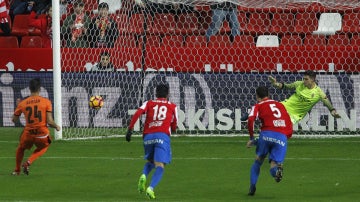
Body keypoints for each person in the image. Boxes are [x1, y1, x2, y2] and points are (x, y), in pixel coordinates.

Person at [125, 84, 178, 199]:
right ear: (168, 94)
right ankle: (151, 188)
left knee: (151, 161)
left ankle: (144, 175)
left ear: (156, 94)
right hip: (162, 136)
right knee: (160, 165)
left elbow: (138, 113)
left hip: (148, 136)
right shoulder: (172, 106)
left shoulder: (149, 103)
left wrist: (130, 129)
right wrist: (171, 128)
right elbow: (174, 125)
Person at [246, 86, 293, 196]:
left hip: (266, 134)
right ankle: (276, 172)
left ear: (257, 96)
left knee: (258, 160)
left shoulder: (258, 105)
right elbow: (289, 122)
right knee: (274, 164)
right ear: (268, 94)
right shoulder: (280, 105)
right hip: (281, 136)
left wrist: (252, 138)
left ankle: (252, 186)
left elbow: (251, 119)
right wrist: (286, 136)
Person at [11, 78, 60, 176]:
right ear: (39, 89)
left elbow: (14, 120)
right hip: (41, 133)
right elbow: (50, 122)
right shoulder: (46, 102)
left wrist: (18, 106)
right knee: (45, 146)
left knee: (21, 148)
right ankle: (28, 162)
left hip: (28, 133)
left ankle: (17, 170)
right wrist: (57, 126)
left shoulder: (23, 103)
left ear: (29, 89)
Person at [268, 70, 341, 124]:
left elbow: (327, 102)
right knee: (267, 114)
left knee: (278, 127)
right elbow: (286, 86)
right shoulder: (299, 84)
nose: (304, 81)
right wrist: (275, 84)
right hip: (284, 106)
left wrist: (333, 111)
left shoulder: (319, 92)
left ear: (312, 79)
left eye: (306, 79)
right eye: (304, 79)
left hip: (294, 116)